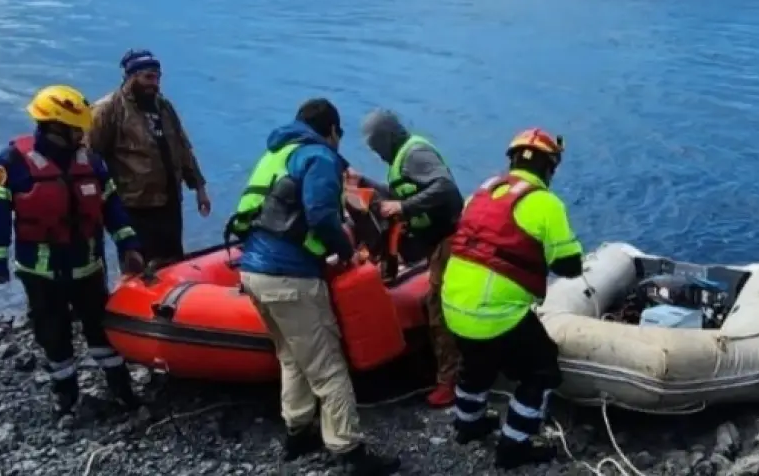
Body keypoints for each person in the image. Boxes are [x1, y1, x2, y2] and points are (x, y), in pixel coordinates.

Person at [231, 98, 400, 476]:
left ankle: (298, 431)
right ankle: (348, 448)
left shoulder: (277, 152)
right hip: (288, 276)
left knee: (291, 355)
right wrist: (348, 252)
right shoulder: (319, 157)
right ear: (333, 131)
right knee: (327, 366)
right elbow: (321, 214)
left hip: (253, 271)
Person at [0, 85, 145, 416]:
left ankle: (121, 388)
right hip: (40, 271)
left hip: (87, 266)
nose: (82, 135)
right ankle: (66, 394)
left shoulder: (92, 162)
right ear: (56, 126)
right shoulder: (11, 163)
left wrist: (128, 244)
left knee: (101, 329)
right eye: (76, 129)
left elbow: (112, 208)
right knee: (52, 333)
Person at [441, 128, 585, 470]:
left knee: (476, 362)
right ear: (550, 167)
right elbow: (570, 266)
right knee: (542, 369)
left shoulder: (481, 192)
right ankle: (514, 445)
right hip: (495, 314)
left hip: (453, 305)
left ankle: (467, 424)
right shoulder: (545, 203)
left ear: (513, 160)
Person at [360, 108, 464, 408]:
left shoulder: (415, 154)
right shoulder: (400, 160)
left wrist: (403, 209)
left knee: (440, 310)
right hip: (434, 244)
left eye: (376, 145)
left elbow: (445, 188)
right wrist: (363, 181)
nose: (376, 152)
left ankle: (450, 382)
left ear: (387, 137)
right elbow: (399, 194)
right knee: (439, 307)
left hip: (449, 239)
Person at [87, 49, 211, 267]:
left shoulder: (163, 106)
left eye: (158, 77)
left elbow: (182, 148)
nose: (155, 83)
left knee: (173, 264)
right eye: (148, 77)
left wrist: (199, 188)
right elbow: (90, 158)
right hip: (134, 207)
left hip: (170, 203)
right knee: (141, 268)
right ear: (131, 77)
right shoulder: (107, 110)